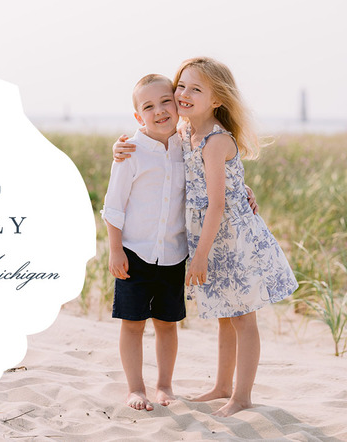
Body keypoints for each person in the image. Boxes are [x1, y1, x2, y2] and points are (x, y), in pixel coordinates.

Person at [175, 57, 297, 416]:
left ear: (217, 99)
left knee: (244, 318)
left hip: (233, 240)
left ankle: (241, 396)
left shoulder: (215, 139)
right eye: (181, 85)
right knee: (225, 316)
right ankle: (221, 385)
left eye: (196, 88)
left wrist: (199, 256)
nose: (184, 93)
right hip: (212, 239)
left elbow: (216, 205)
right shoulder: (185, 132)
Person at [101, 74, 186, 411]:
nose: (160, 111)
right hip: (134, 252)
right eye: (148, 107)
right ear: (139, 117)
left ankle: (164, 385)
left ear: (178, 105)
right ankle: (136, 388)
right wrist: (115, 248)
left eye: (166, 101)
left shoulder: (188, 146)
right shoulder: (130, 151)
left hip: (173, 253)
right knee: (133, 324)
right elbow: (114, 204)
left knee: (167, 324)